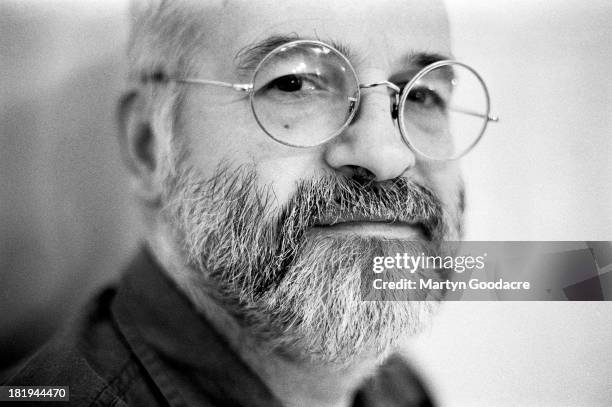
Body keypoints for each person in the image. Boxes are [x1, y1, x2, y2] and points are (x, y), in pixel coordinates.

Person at [7, 0, 497, 405]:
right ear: (150, 144)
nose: (387, 154)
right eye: (294, 82)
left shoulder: (400, 391)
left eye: (422, 95)